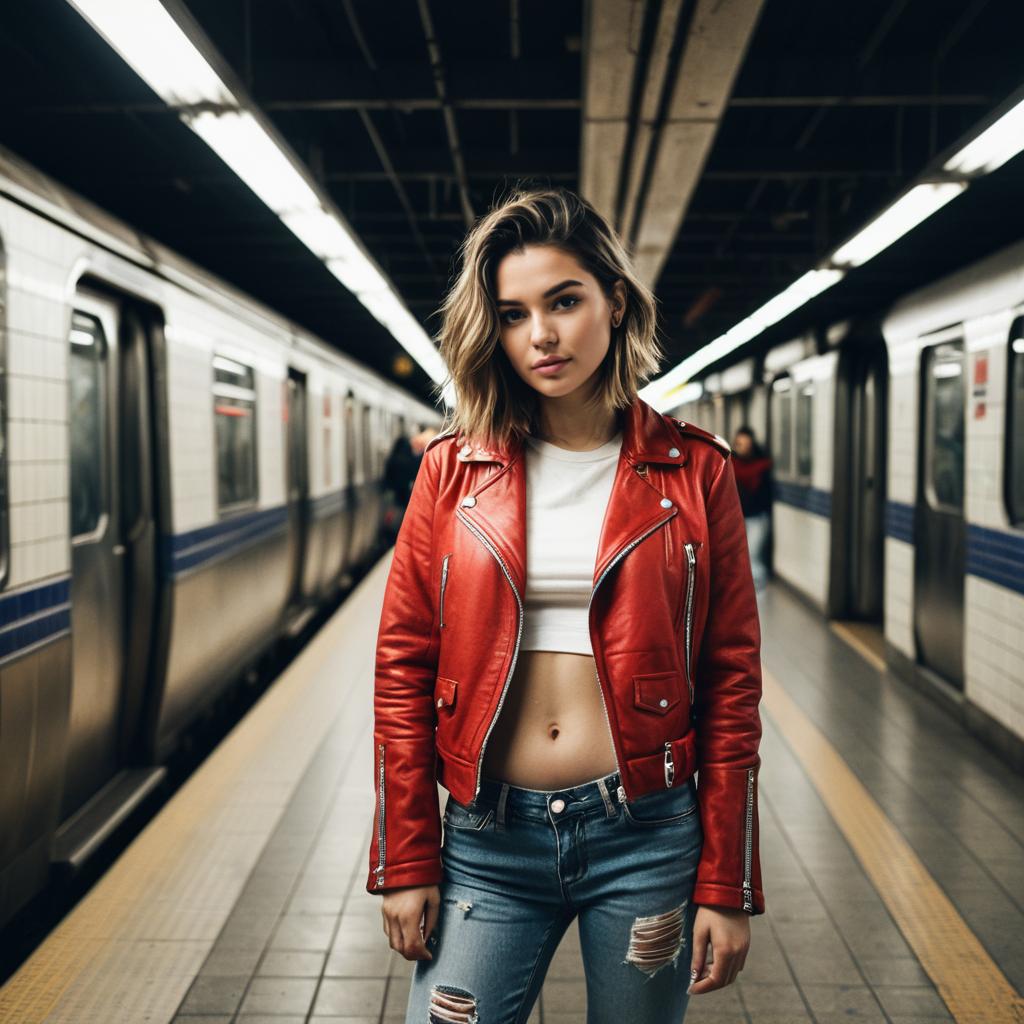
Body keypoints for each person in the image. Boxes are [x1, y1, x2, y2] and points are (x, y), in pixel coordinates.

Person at [367, 186, 765, 1024]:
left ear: (615, 304)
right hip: (486, 839)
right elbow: (403, 668)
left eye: (565, 301)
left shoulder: (697, 473)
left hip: (646, 834)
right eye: (513, 314)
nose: (541, 335)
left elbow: (731, 684)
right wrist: (407, 857)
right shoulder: (452, 471)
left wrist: (727, 882)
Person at [730, 425, 773, 592]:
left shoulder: (762, 465)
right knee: (737, 553)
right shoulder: (730, 463)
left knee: (754, 553)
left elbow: (765, 493)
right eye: (740, 444)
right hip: (736, 517)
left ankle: (757, 589)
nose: (743, 447)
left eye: (746, 444)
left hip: (757, 517)